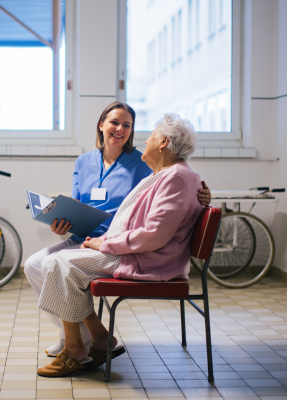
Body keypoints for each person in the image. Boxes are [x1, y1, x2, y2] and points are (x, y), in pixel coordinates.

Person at [24, 103, 211, 357]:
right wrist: (62, 223)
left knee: (55, 266)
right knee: (34, 264)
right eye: (114, 122)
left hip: (117, 243)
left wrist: (203, 194)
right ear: (101, 124)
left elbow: (174, 190)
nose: (120, 129)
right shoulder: (84, 162)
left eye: (127, 125)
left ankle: (80, 340)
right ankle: (82, 334)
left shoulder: (146, 163)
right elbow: (77, 204)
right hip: (85, 237)